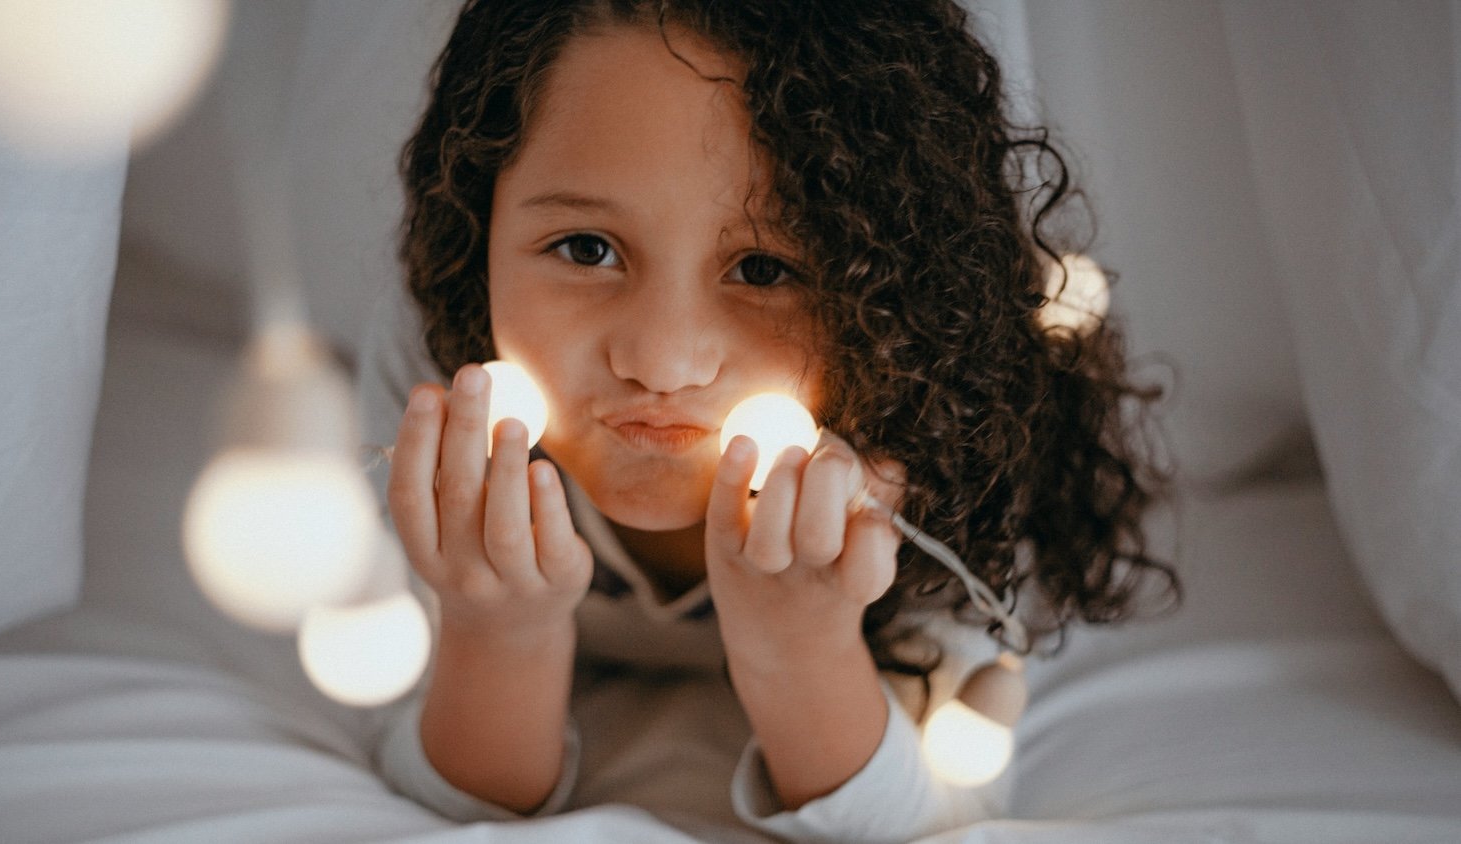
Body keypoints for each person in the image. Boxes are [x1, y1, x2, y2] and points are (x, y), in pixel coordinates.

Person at [360, 1, 1177, 840]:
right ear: (476, 223)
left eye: (762, 268)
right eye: (586, 248)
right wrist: (499, 630)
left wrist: (801, 645)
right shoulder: (452, 398)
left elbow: (926, 816)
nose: (662, 361)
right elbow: (446, 804)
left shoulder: (929, 465)